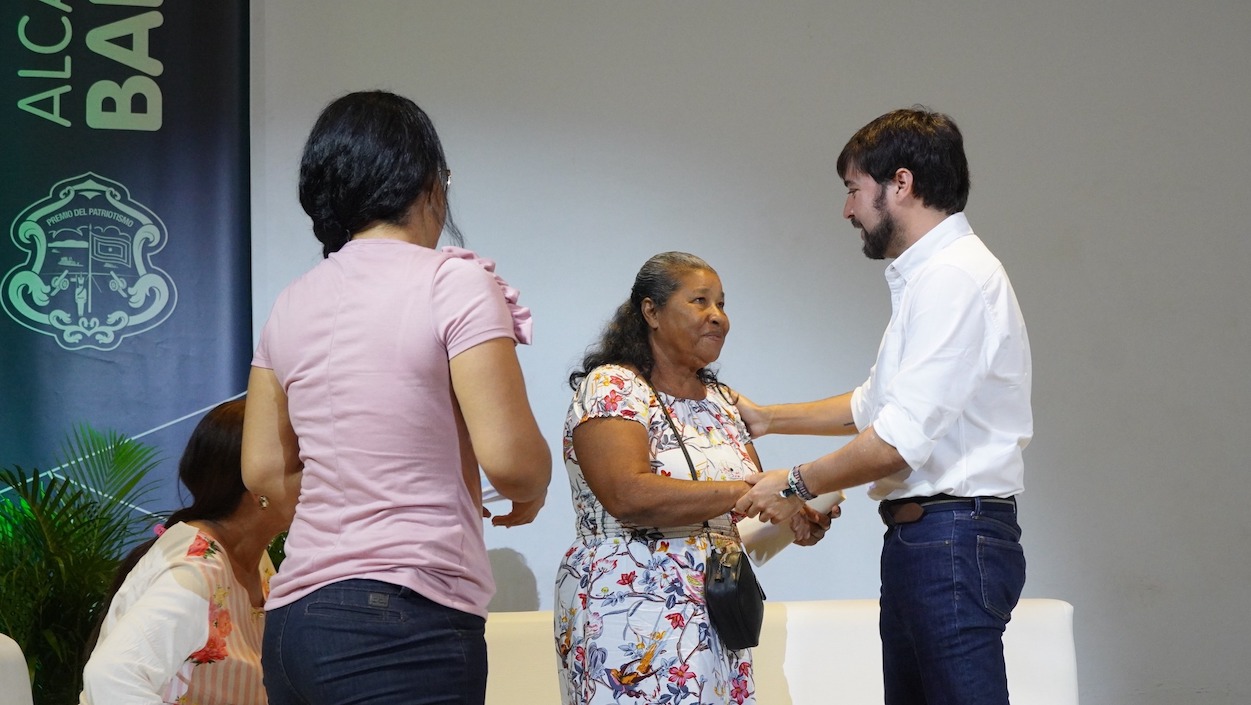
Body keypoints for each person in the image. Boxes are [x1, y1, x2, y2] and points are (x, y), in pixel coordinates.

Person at [241, 90, 551, 705]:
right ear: (428, 181)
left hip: (293, 627)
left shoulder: (292, 302)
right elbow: (512, 460)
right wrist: (533, 487)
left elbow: (264, 472)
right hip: (404, 619)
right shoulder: (452, 281)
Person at [735, 107, 1032, 705]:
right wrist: (768, 417)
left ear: (900, 184)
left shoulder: (953, 278)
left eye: (852, 189)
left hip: (950, 539)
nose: (847, 210)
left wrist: (792, 484)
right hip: (930, 541)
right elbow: (871, 406)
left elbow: (897, 439)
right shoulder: (929, 279)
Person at [555, 252, 836, 705]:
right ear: (651, 312)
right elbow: (628, 495)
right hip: (632, 613)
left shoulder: (723, 402)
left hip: (718, 614)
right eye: (700, 301)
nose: (718, 317)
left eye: (722, 304)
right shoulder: (614, 387)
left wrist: (792, 517)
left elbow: (738, 516)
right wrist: (757, 491)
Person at [80, 397, 293, 705]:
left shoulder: (254, 558)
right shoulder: (197, 568)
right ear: (256, 480)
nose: (321, 478)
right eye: (303, 464)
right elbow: (111, 679)